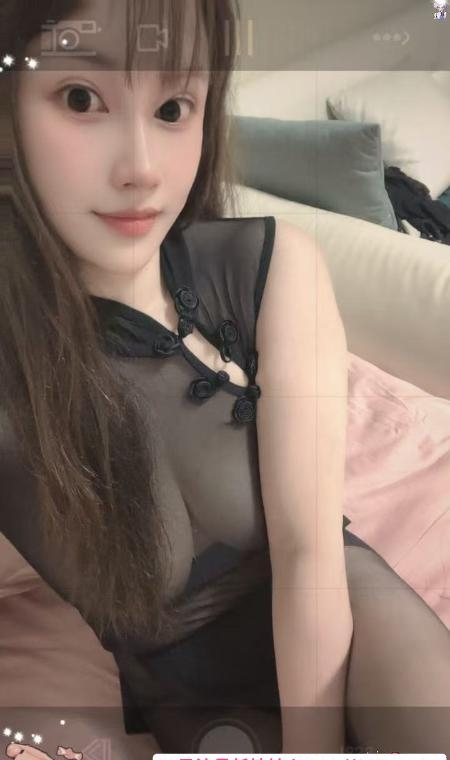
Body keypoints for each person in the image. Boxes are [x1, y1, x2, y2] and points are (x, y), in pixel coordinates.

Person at [1, 0, 449, 756]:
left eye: (174, 108)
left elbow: (309, 552)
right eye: (81, 98)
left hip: (341, 608)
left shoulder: (267, 269)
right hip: (192, 691)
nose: (141, 168)